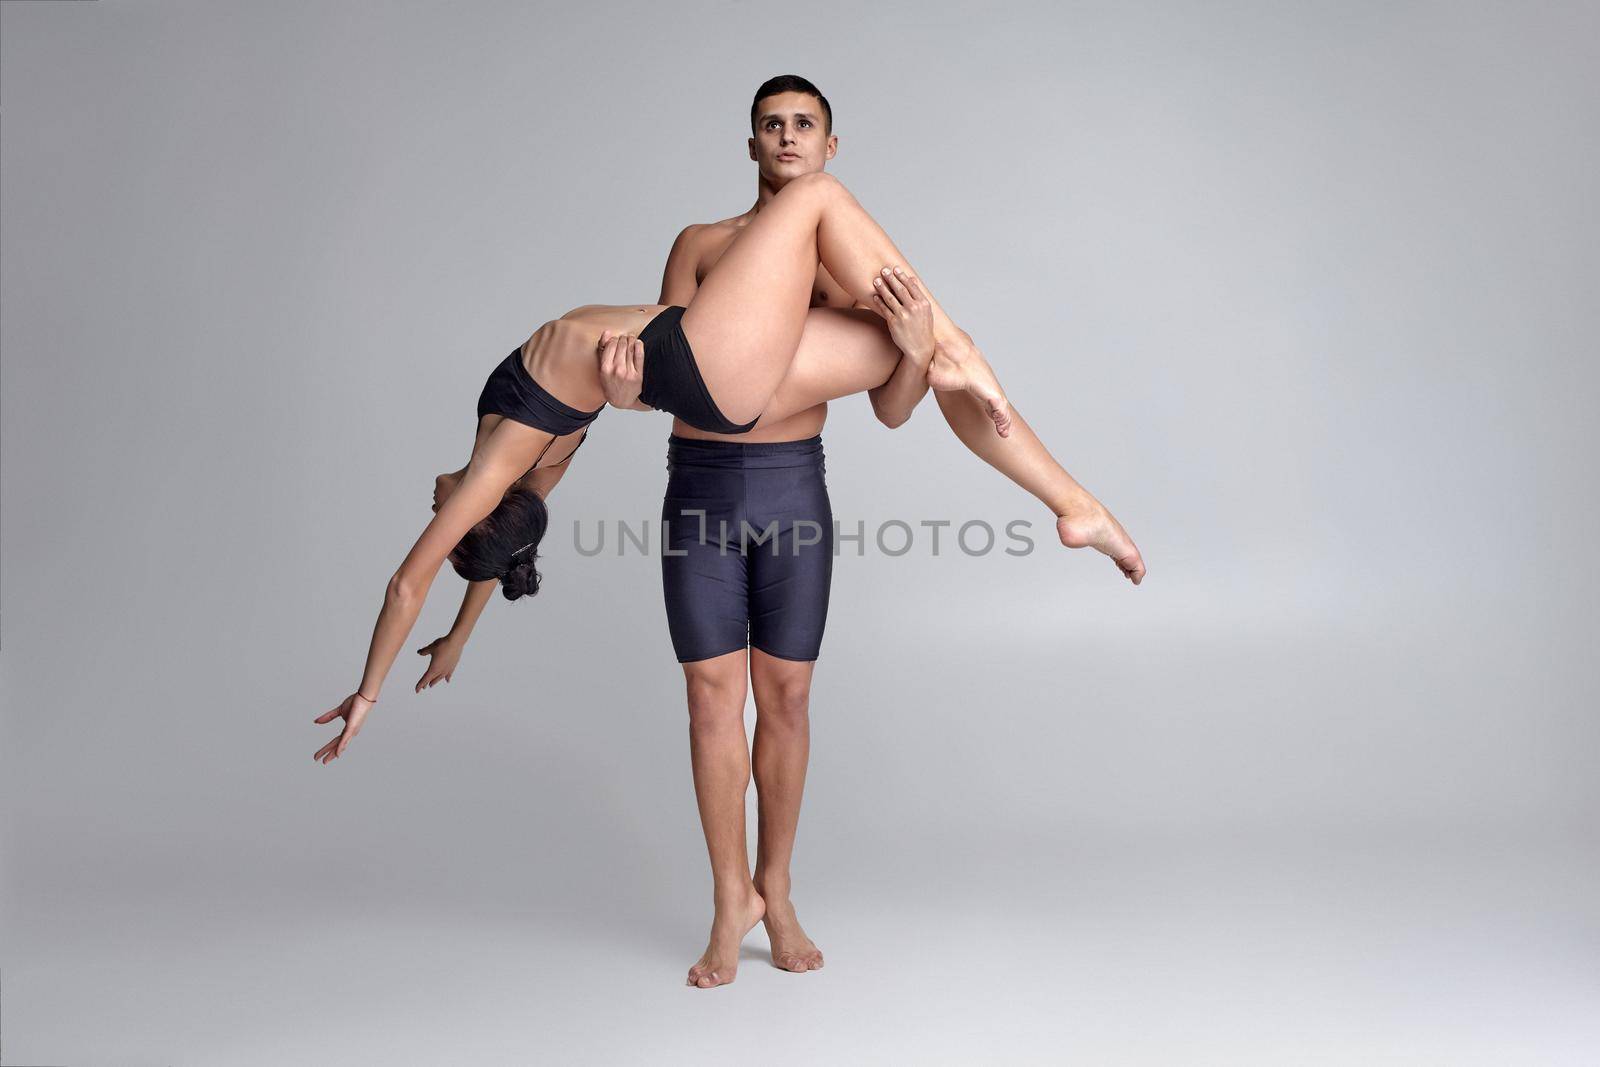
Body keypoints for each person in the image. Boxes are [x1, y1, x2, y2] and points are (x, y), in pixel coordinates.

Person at [312, 131, 1147, 966]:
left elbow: (486, 551)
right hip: (703, 371)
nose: (442, 505)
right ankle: (972, 360)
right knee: (818, 198)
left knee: (909, 346)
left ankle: (1075, 503)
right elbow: (403, 583)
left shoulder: (538, 467)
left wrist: (462, 633)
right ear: (475, 507)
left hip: (720, 367)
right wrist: (369, 693)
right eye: (458, 514)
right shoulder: (497, 469)